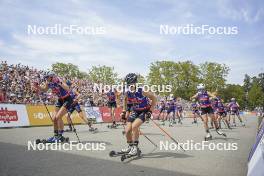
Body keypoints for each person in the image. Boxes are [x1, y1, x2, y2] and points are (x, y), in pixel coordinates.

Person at [121, 73, 157, 156]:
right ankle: (130, 146)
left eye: (132, 83)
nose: (130, 86)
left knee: (134, 126)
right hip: (135, 110)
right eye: (128, 84)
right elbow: (125, 100)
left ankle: (135, 148)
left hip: (144, 111)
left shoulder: (142, 90)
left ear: (136, 83)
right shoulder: (127, 91)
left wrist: (150, 111)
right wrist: (123, 110)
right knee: (127, 131)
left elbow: (154, 98)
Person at [33, 71, 73, 142]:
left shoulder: (58, 80)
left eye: (47, 77)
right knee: (54, 118)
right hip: (60, 100)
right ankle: (56, 136)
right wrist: (37, 86)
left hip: (67, 99)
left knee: (58, 117)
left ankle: (60, 136)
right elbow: (44, 90)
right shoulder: (48, 83)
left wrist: (58, 82)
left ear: (51, 77)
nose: (46, 79)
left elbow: (68, 89)